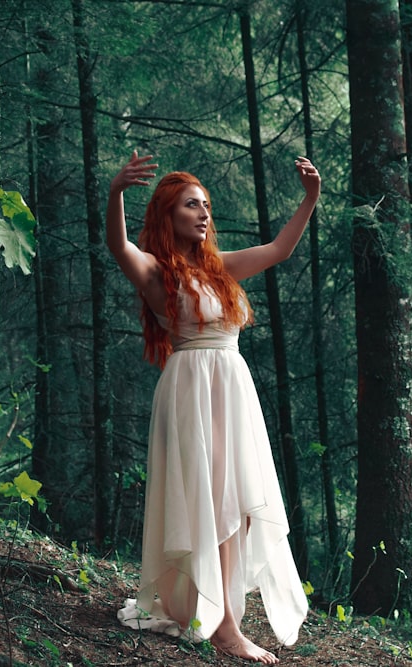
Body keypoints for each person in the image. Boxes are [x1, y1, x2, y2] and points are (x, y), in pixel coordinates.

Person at [108, 151, 320, 664]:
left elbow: (278, 249)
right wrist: (114, 192)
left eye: (205, 205)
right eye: (190, 205)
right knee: (210, 503)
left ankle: (223, 616)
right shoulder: (159, 272)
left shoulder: (218, 269)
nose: (203, 213)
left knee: (238, 508)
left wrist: (310, 198)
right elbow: (118, 247)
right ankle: (224, 629)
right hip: (190, 391)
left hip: (232, 389)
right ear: (168, 216)